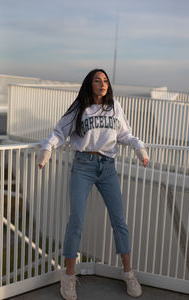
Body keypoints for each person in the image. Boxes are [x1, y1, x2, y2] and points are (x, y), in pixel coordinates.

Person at [37, 69, 149, 300]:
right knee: (76, 219)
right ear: (90, 84)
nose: (103, 84)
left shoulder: (114, 106)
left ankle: (129, 273)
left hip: (108, 167)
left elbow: (125, 134)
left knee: (119, 220)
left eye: (105, 80)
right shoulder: (79, 107)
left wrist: (139, 147)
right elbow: (60, 132)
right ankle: (68, 277)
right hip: (83, 165)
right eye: (98, 80)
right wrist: (47, 149)